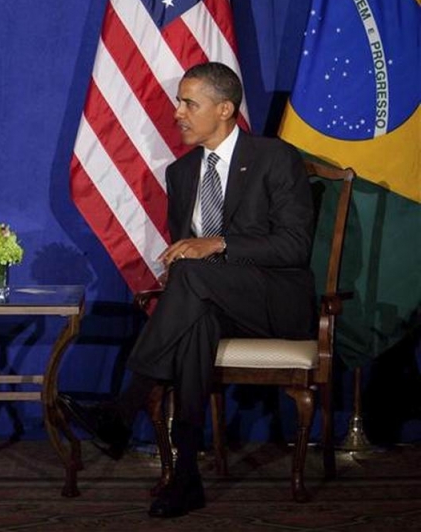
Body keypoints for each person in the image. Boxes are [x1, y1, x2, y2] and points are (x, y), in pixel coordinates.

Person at [60, 61, 316, 518]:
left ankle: (123, 409)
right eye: (179, 101)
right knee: (194, 325)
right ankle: (186, 478)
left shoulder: (273, 157)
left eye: (188, 103)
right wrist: (186, 268)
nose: (177, 112)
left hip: (277, 302)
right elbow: (187, 257)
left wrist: (217, 243)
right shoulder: (181, 174)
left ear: (224, 109)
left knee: (193, 280)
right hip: (211, 301)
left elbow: (295, 247)